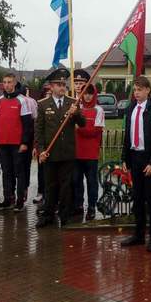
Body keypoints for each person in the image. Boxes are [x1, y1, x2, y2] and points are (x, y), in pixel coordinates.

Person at [121, 76, 151, 252]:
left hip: (148, 159)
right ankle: (138, 235)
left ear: (148, 90)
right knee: (137, 198)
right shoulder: (131, 108)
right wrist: (125, 159)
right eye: (134, 90)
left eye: (139, 90)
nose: (136, 93)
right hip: (134, 157)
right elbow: (127, 135)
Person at [35, 68, 85, 228]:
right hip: (50, 153)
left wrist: (76, 113)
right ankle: (48, 215)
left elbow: (82, 124)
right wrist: (41, 150)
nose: (62, 87)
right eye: (59, 85)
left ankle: (65, 216)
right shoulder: (42, 104)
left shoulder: (73, 103)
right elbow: (39, 130)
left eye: (64, 84)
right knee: (50, 186)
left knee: (66, 186)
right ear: (51, 87)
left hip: (67, 153)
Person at [0, 73, 34, 211]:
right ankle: (8, 199)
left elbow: (27, 124)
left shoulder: (22, 101)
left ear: (15, 83)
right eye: (4, 82)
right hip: (3, 143)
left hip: (17, 144)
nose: (7, 85)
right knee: (6, 172)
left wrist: (24, 143)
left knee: (19, 172)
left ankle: (20, 200)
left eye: (9, 82)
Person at [74, 80, 105, 222]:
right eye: (85, 93)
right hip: (77, 152)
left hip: (91, 153)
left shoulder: (99, 110)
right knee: (77, 181)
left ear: (94, 95)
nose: (87, 96)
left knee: (92, 182)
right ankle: (79, 205)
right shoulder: (76, 108)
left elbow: (96, 131)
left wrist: (79, 130)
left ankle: (92, 207)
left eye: (90, 94)